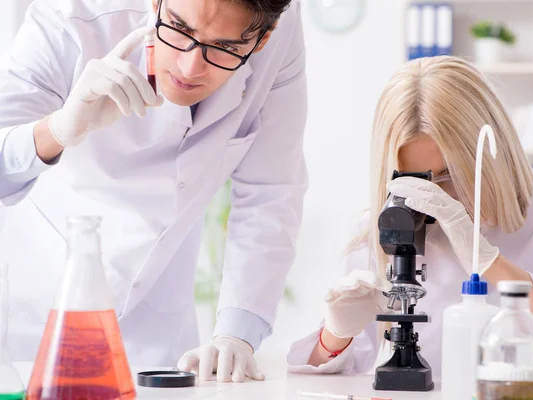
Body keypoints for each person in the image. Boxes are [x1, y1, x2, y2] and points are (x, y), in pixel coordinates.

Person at [0, 0, 307, 382]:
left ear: (263, 39)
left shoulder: (277, 26)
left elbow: (270, 189)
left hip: (159, 341)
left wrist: (237, 332)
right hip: (35, 327)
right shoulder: (70, 14)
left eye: (225, 48)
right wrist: (59, 130)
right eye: (179, 28)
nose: (189, 68)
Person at [286, 56, 533, 384]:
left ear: (492, 154)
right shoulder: (382, 230)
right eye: (415, 180)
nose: (434, 198)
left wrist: (493, 266)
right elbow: (335, 372)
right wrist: (335, 336)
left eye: (449, 174)